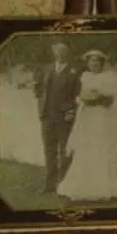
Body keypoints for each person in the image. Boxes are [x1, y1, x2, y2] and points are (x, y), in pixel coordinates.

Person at [55, 52, 117, 205]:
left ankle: (102, 187)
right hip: (86, 116)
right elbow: (79, 96)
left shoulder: (109, 77)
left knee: (100, 147)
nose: (93, 64)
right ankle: (80, 187)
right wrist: (82, 99)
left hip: (100, 116)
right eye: (91, 62)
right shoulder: (84, 76)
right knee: (84, 148)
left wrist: (98, 98)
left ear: (101, 64)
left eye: (96, 62)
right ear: (88, 64)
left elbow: (110, 100)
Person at [33, 40, 83, 194]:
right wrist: (40, 99)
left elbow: (78, 94)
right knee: (49, 150)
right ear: (54, 52)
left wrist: (71, 111)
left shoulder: (75, 71)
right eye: (58, 51)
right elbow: (38, 89)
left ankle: (64, 185)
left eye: (64, 51)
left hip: (65, 116)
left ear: (68, 53)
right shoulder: (47, 69)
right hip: (47, 116)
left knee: (65, 151)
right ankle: (49, 185)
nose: (60, 54)